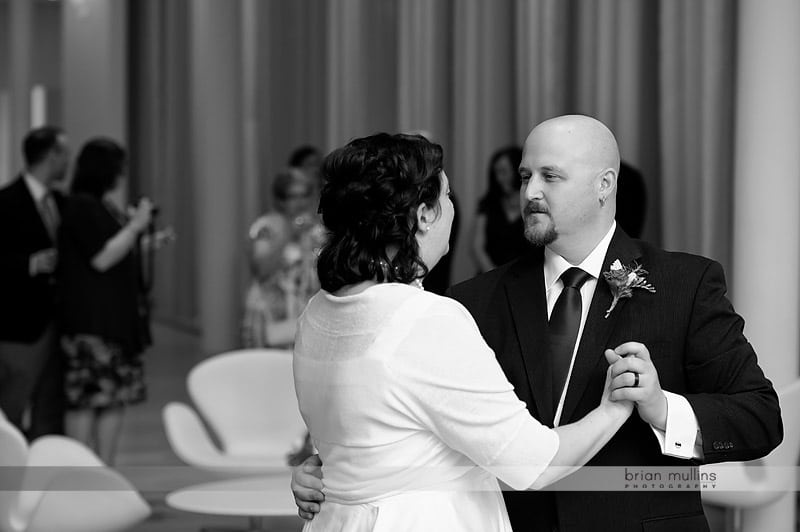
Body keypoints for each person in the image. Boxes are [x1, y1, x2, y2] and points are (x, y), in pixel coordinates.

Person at [292, 117, 783, 531]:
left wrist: (661, 409)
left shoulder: (685, 283)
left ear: (604, 185)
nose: (530, 192)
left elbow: (760, 419)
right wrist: (332, 473)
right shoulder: (469, 300)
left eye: (551, 176)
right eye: (525, 176)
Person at [291, 132, 635, 531]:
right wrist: (613, 410)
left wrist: (320, 470)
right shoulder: (426, 319)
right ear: (422, 215)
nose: (454, 209)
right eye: (448, 196)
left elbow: (359, 438)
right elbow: (530, 465)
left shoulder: (315, 313)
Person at [57, 138, 159, 465]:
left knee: (113, 398)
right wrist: (136, 226)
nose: (122, 174)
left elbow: (116, 250)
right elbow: (102, 258)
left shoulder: (100, 204)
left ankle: (104, 472)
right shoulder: (81, 206)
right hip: (91, 324)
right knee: (87, 399)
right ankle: (81, 474)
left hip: (112, 322)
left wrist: (144, 238)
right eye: (119, 167)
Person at [0, 125, 70, 439]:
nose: (68, 161)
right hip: (20, 327)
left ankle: (44, 480)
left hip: (60, 322)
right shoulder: (5, 202)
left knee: (51, 410)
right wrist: (30, 264)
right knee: (12, 407)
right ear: (49, 156)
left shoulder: (63, 203)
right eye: (64, 153)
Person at [242, 168, 324, 348]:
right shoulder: (266, 227)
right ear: (280, 199)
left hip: (303, 312)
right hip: (270, 314)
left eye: (305, 195)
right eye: (292, 196)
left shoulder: (316, 230)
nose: (300, 202)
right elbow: (261, 269)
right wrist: (288, 233)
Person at [471, 146, 530, 272]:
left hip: (526, 277)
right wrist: (493, 274)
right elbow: (477, 246)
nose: (499, 178)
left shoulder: (532, 202)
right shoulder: (488, 204)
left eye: (504, 171)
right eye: (496, 173)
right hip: (491, 276)